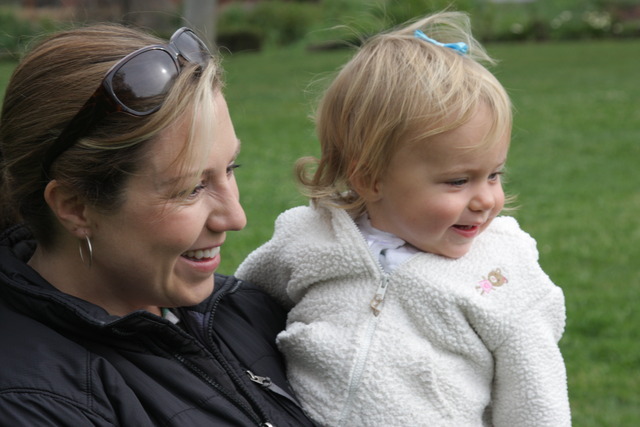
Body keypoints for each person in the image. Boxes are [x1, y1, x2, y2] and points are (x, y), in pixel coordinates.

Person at [236, 11, 571, 427]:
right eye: (458, 181)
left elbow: (536, 398)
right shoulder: (309, 239)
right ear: (370, 178)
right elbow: (235, 313)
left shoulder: (503, 272)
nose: (486, 199)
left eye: (494, 175)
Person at [0, 24, 315, 426]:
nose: (236, 218)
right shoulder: (35, 404)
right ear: (75, 207)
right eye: (191, 188)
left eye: (230, 168)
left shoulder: (246, 310)